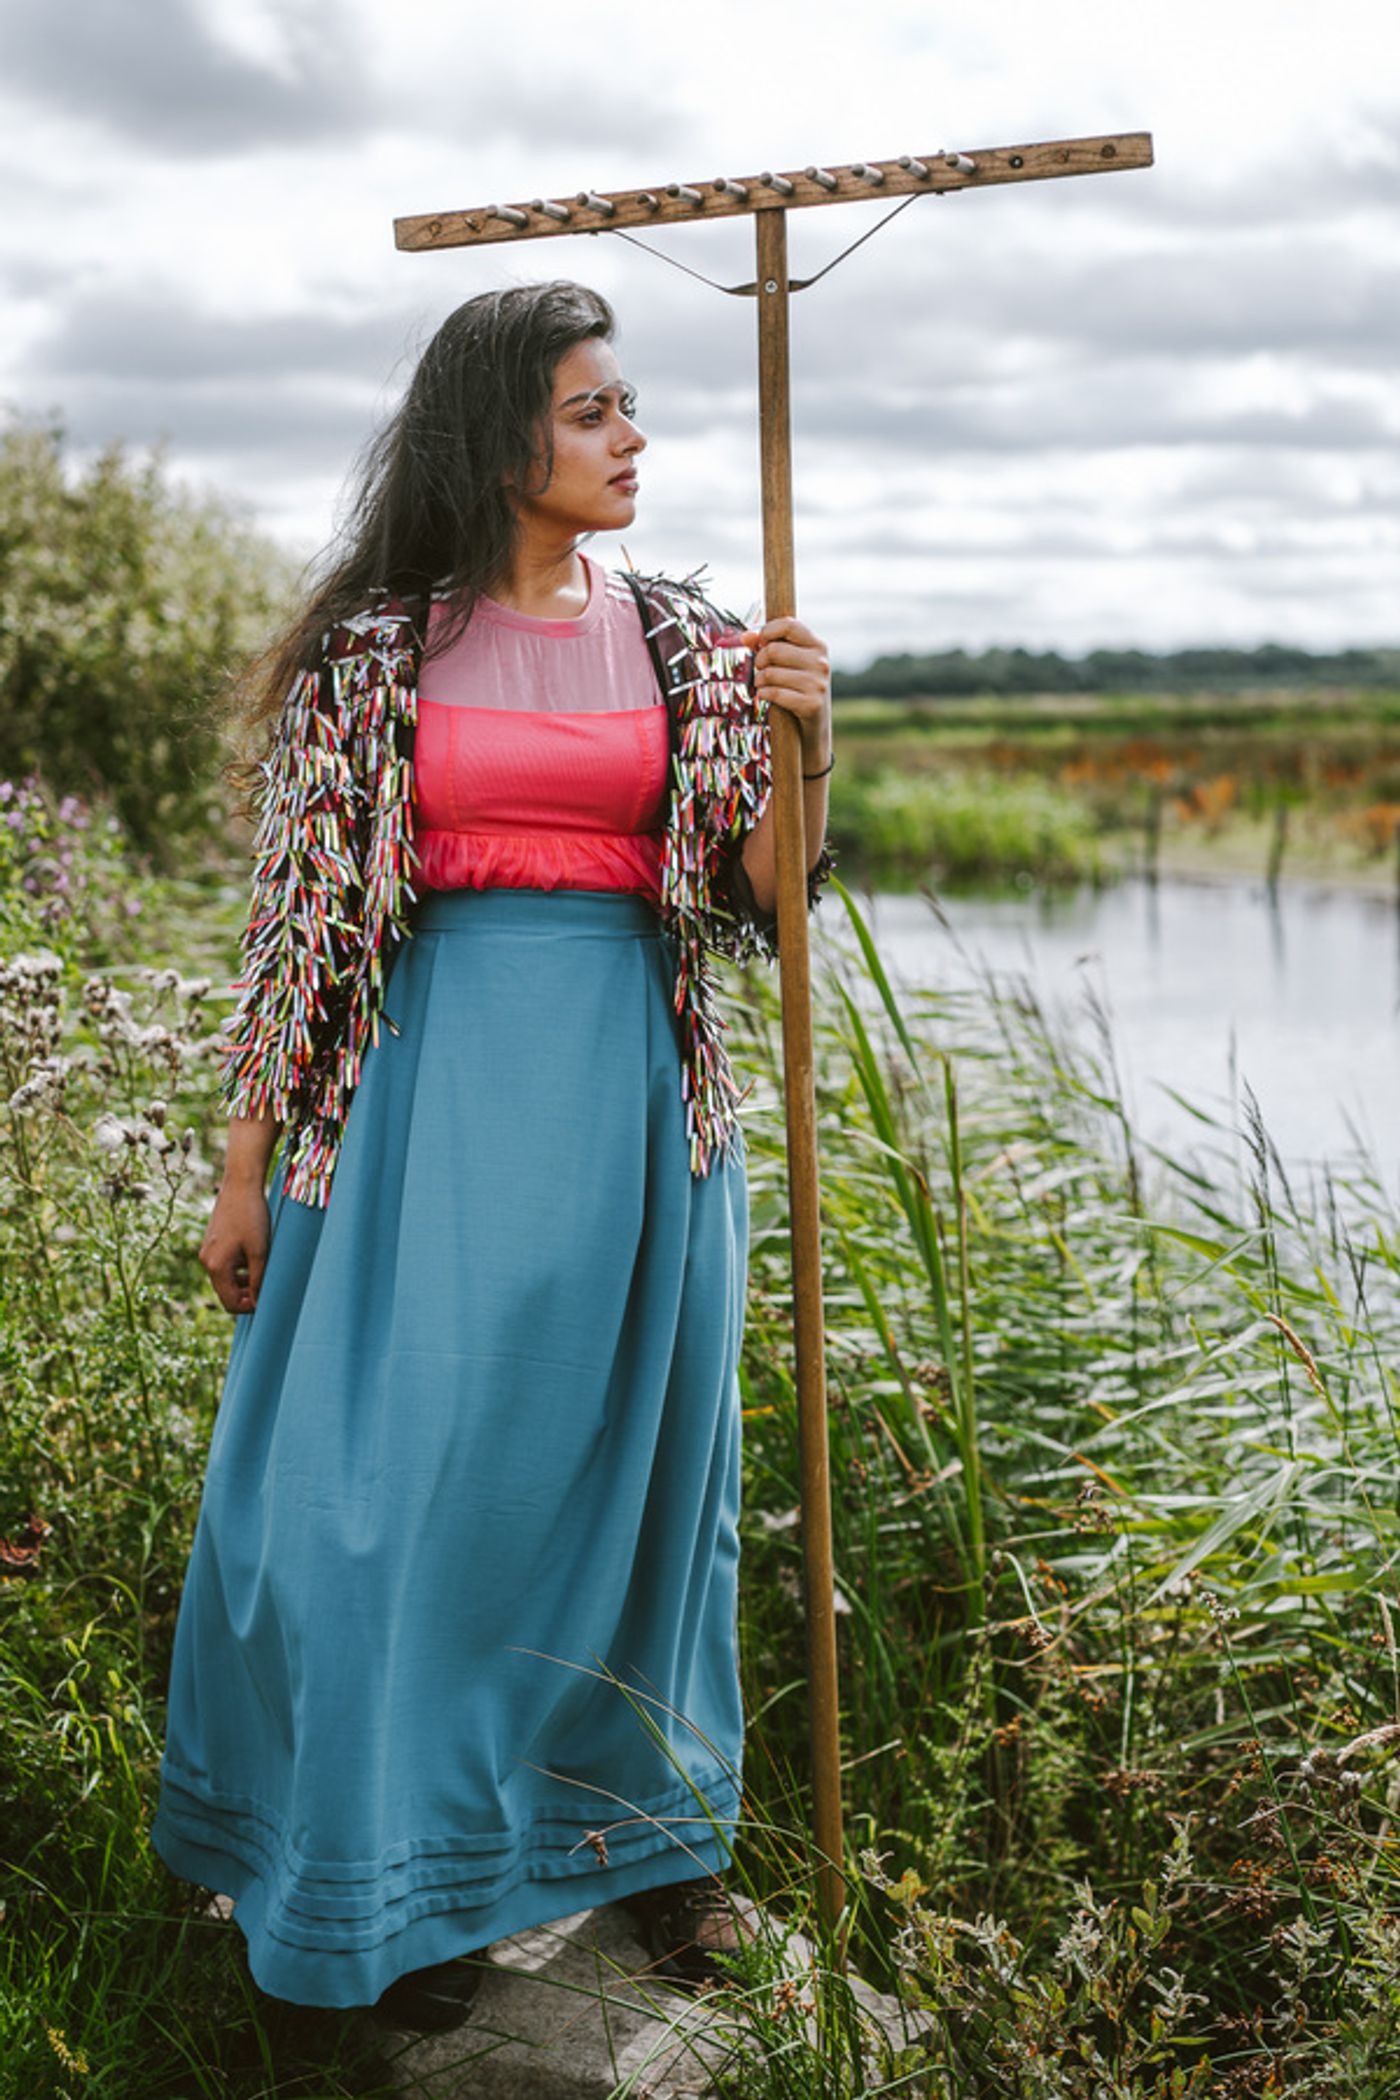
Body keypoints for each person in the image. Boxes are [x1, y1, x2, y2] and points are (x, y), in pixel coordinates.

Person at [150, 279, 834, 2033]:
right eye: (594, 409)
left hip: (631, 1105)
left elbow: (766, 903)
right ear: (500, 435)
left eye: (628, 405)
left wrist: (804, 748)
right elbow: (302, 924)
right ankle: (405, 1874)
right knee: (382, 1509)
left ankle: (653, 1855)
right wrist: (245, 1164)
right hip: (416, 1116)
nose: (634, 436)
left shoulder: (691, 643)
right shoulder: (375, 654)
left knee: (643, 1501)